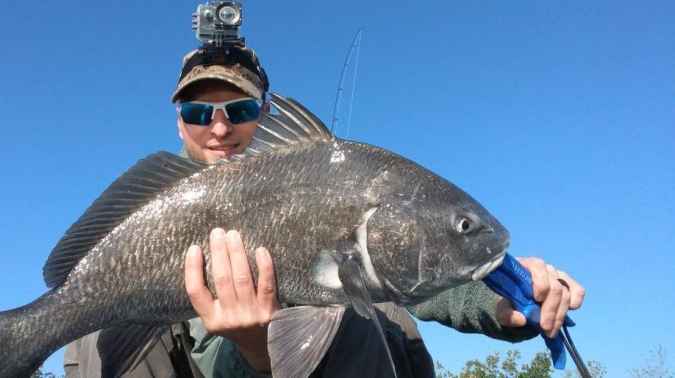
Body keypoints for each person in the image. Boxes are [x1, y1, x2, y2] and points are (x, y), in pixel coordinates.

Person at [65, 43, 586, 377]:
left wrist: (502, 306)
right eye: (200, 112)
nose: (220, 128)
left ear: (265, 114)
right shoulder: (156, 204)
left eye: (241, 110)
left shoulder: (322, 178)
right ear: (180, 122)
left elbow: (420, 284)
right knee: (91, 331)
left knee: (369, 313)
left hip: (300, 362)